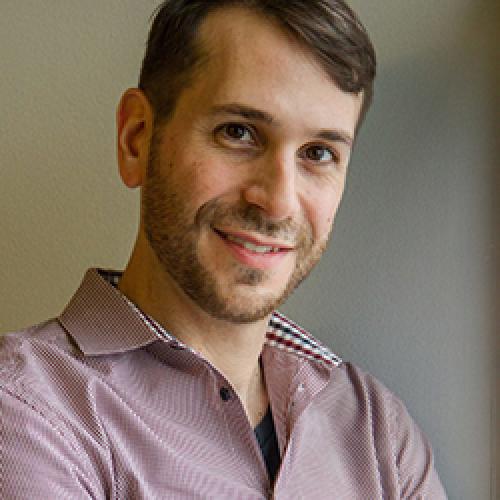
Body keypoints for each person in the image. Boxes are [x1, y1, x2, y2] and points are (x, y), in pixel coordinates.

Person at [0, 1, 447, 498]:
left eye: (318, 153)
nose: (278, 202)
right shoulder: (26, 410)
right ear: (137, 140)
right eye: (238, 132)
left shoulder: (379, 433)